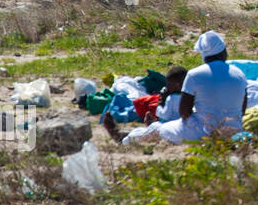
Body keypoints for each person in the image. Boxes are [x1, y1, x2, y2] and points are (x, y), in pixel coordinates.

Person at [105, 32, 248, 144]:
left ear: (204, 56)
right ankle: (133, 134)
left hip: (199, 133)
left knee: (158, 128)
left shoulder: (194, 74)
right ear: (224, 52)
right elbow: (242, 109)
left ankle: (124, 139)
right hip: (233, 132)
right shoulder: (240, 74)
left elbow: (184, 111)